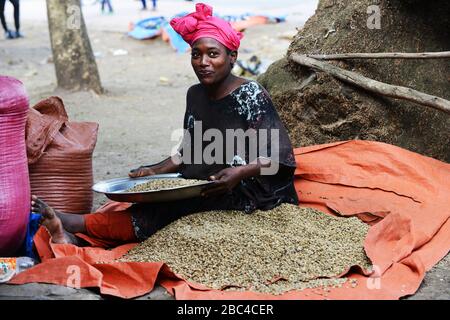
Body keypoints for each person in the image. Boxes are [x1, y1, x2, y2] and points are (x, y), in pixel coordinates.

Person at [32, 3, 298, 247]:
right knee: (165, 202)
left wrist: (240, 172)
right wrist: (154, 170)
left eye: (213, 54)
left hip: (256, 196)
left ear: (232, 57)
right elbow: (191, 152)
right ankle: (72, 230)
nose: (203, 63)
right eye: (196, 54)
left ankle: (75, 227)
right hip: (211, 183)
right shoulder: (195, 94)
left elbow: (279, 158)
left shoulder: (250, 94)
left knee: (174, 213)